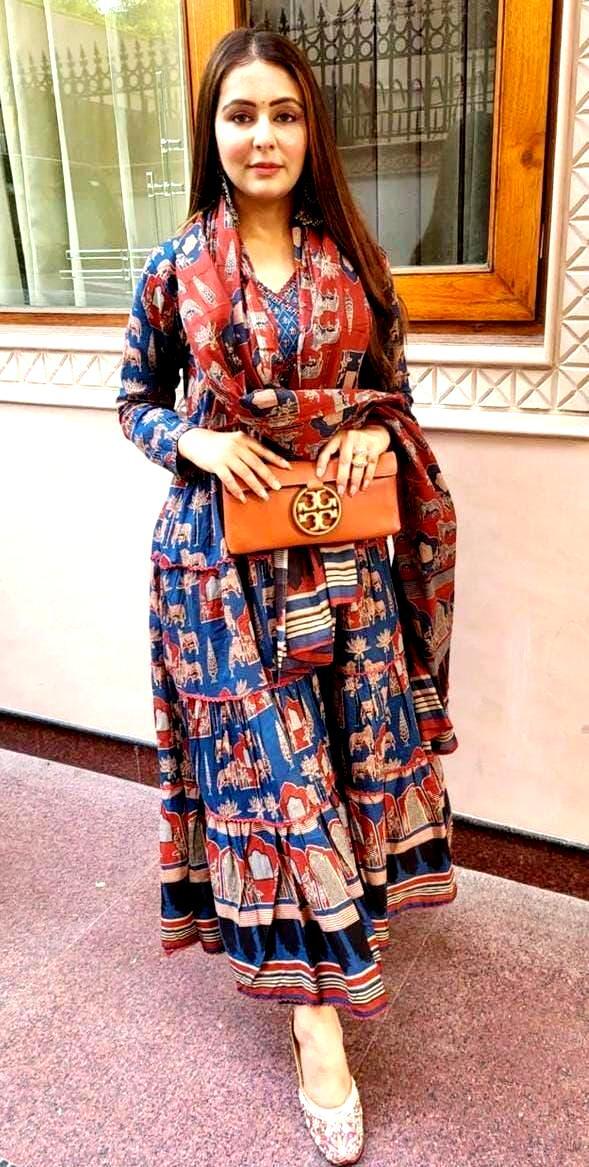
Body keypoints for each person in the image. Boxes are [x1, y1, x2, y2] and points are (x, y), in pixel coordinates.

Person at [117, 26, 459, 1166]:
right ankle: (320, 1024)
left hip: (340, 555)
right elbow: (133, 400)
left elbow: (393, 395)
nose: (261, 135)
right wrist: (195, 443)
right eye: (239, 114)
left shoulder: (359, 262)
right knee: (276, 775)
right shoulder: (173, 268)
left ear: (311, 130)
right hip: (216, 566)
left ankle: (333, 942)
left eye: (282, 113)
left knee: (337, 763)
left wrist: (374, 433)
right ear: (210, 130)